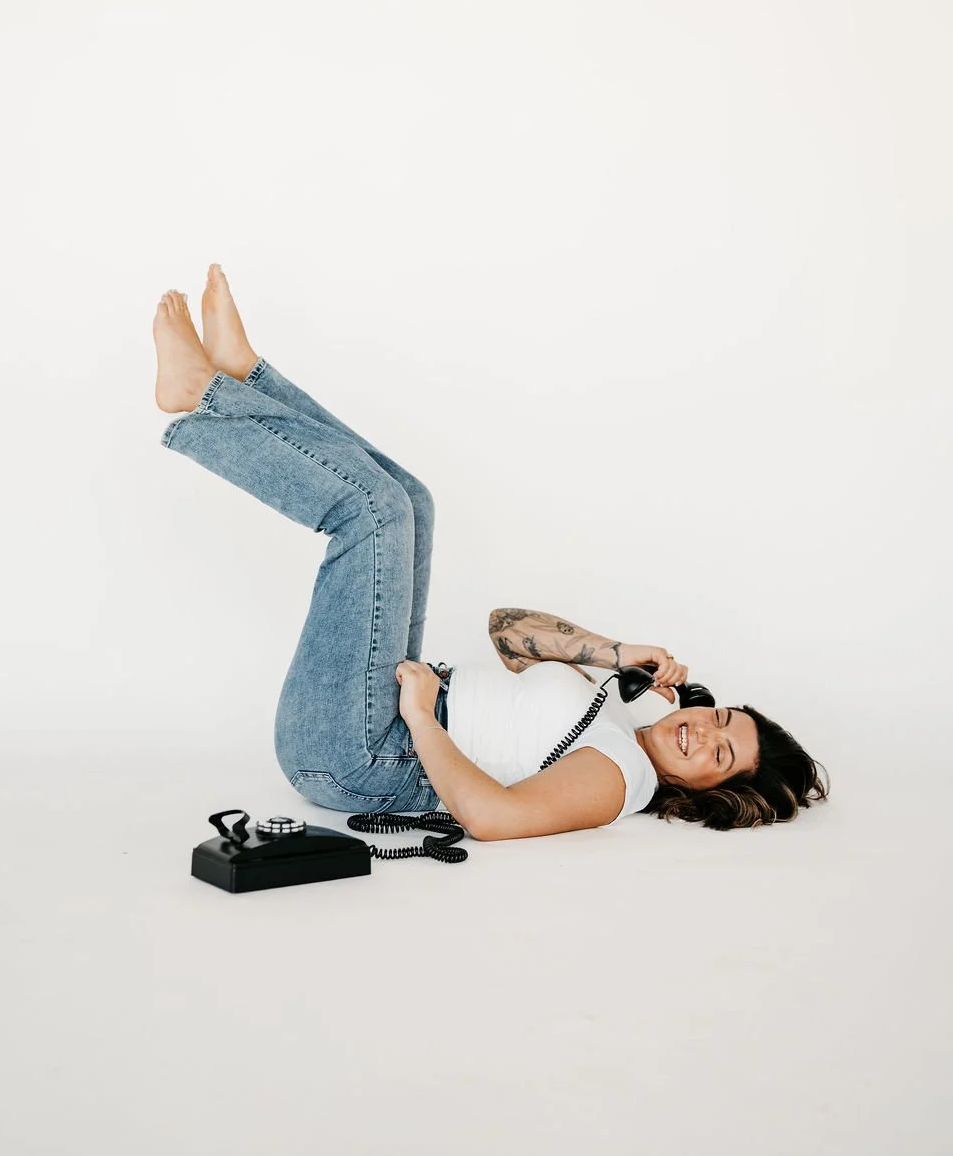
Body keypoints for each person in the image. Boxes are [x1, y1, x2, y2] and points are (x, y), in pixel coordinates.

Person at [154, 265, 830, 841]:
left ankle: (206, 397)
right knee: (414, 502)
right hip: (378, 719)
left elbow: (493, 817)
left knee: (373, 514)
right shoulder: (617, 716)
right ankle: (246, 380)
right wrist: (618, 655)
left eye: (721, 754)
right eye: (718, 719)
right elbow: (508, 631)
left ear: (718, 790)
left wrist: (422, 719)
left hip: (357, 753)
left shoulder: (622, 776)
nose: (701, 734)